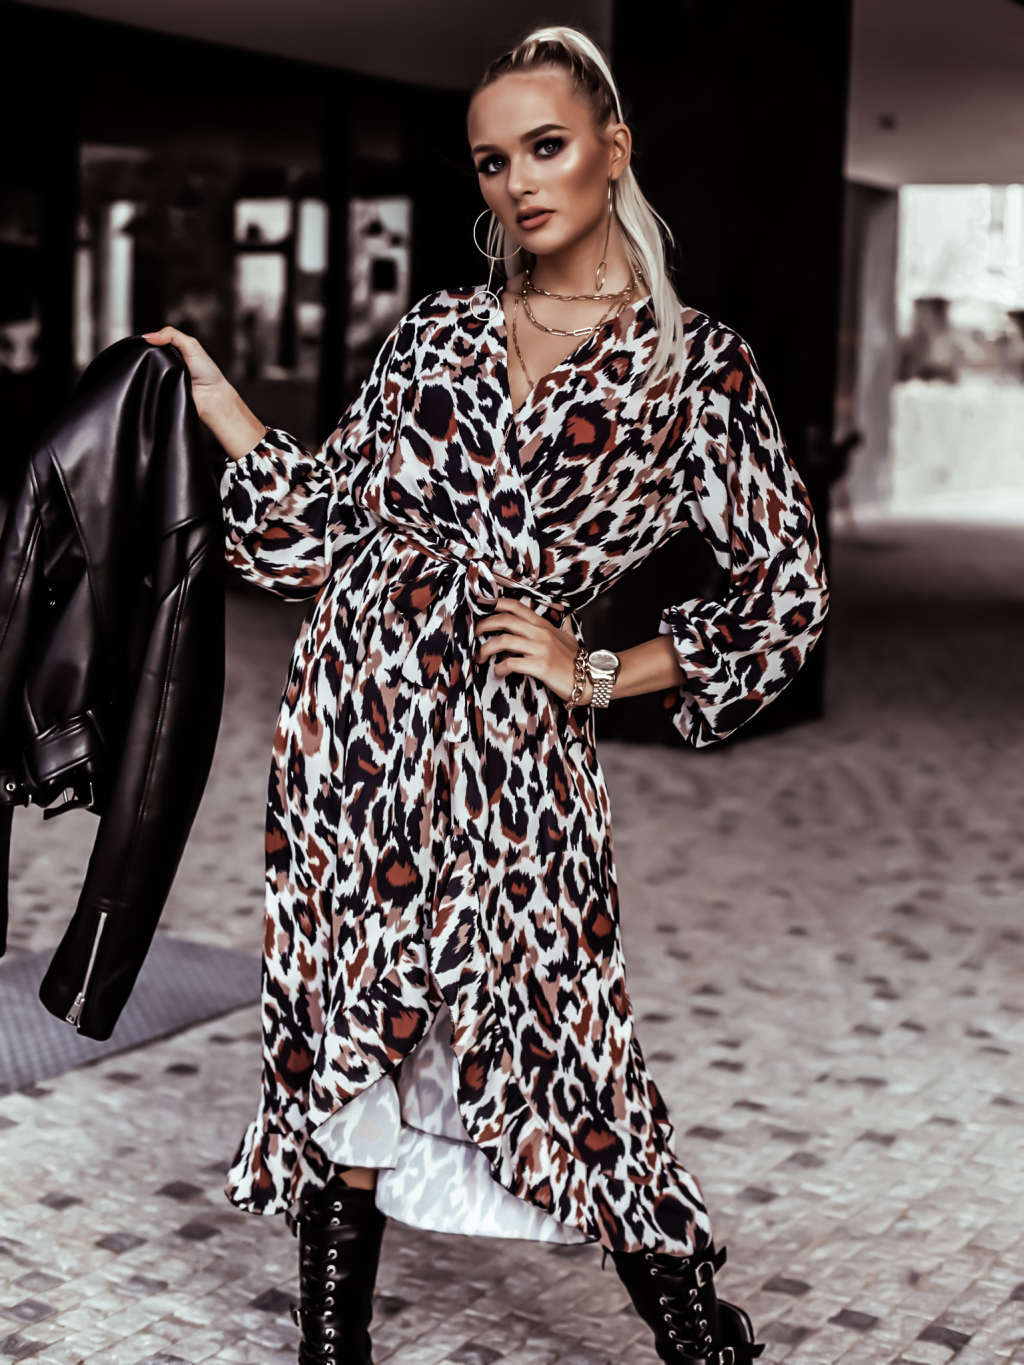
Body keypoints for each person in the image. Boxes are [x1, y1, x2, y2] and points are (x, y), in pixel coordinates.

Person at [146, 26, 827, 1365]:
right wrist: (222, 400)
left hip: (517, 752)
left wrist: (601, 670)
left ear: (614, 149)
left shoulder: (697, 368)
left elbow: (786, 592)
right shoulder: (438, 334)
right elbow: (327, 527)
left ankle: (700, 1334)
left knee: (563, 1023)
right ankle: (330, 1344)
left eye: (546, 147)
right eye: (491, 160)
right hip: (358, 726)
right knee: (348, 1012)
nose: (517, 182)